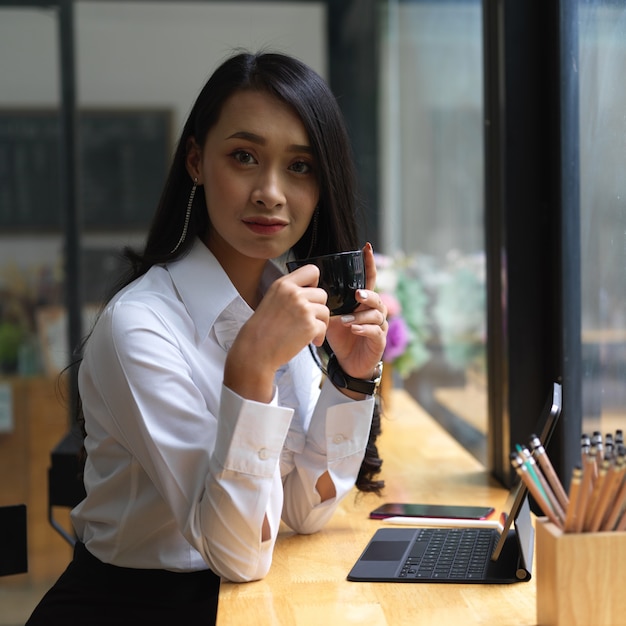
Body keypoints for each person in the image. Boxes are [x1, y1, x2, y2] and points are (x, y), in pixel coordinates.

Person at [27, 50, 387, 625]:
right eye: (244, 157)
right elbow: (239, 554)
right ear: (196, 160)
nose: (271, 192)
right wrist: (249, 371)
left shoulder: (281, 304)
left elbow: (299, 512)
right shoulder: (139, 325)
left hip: (240, 604)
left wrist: (350, 380)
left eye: (300, 166)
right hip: (133, 608)